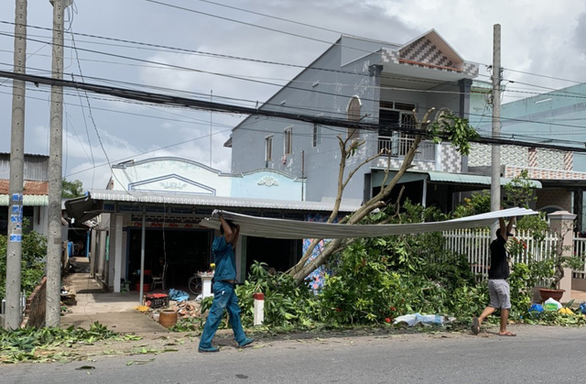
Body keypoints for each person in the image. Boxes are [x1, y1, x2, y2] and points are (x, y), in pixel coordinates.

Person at [198, 213, 254, 352]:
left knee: (234, 311)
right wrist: (221, 218)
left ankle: (241, 339)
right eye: (231, 231)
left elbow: (233, 241)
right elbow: (228, 233)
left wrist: (238, 230)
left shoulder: (228, 245)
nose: (232, 233)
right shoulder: (218, 243)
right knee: (216, 314)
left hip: (229, 286)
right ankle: (204, 344)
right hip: (222, 285)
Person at [472, 216, 516, 336]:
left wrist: (512, 217)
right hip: (500, 281)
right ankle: (503, 330)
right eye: (506, 235)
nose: (508, 237)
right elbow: (503, 230)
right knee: (505, 306)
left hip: (492, 281)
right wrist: (501, 216)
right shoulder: (499, 245)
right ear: (502, 236)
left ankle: (480, 320)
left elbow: (506, 230)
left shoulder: (495, 245)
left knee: (493, 304)